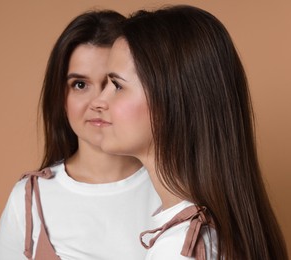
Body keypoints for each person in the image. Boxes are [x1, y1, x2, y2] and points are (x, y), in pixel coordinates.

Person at [93, 5, 288, 260]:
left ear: (169, 98)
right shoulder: (210, 231)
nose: (98, 101)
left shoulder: (180, 249)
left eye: (117, 85)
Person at [0, 10, 161, 260]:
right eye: (80, 85)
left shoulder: (174, 190)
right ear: (61, 96)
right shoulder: (28, 201)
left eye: (113, 84)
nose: (98, 102)